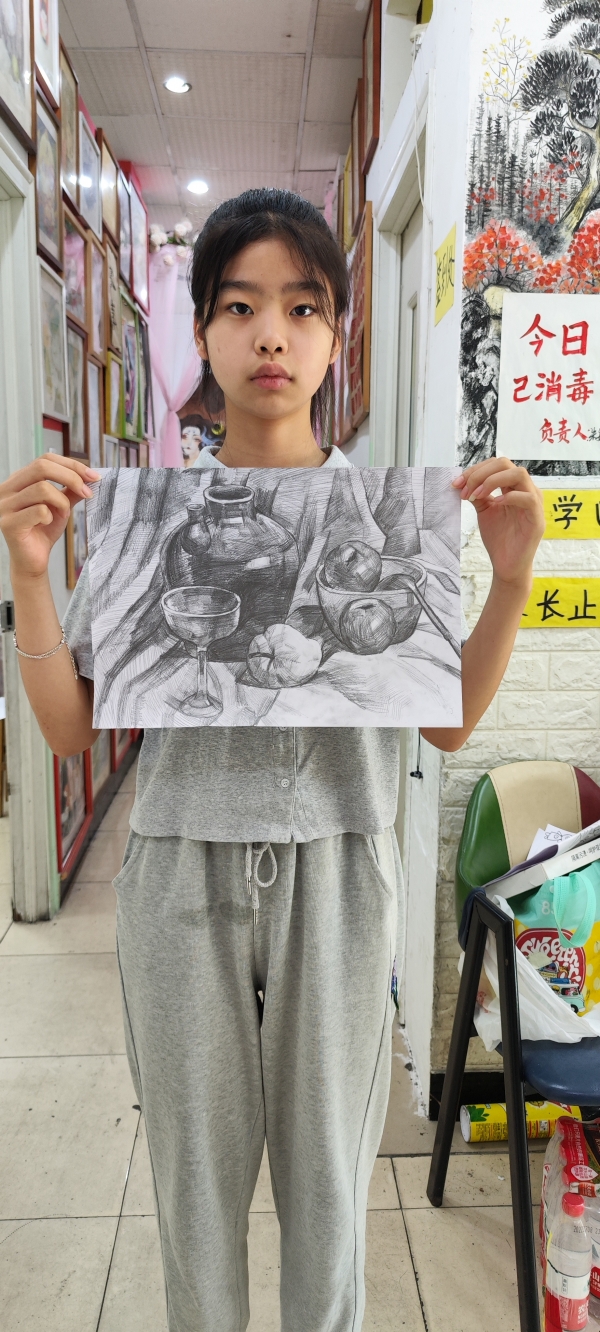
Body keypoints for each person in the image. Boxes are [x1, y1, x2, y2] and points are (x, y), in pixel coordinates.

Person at [0, 189, 545, 1332]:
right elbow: (70, 729)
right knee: (193, 1194)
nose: (271, 336)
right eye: (240, 306)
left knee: (330, 1194)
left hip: (338, 876)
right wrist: (33, 578)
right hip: (178, 874)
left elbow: (446, 724)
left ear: (335, 337)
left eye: (302, 308)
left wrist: (506, 580)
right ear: (201, 331)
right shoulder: (151, 519)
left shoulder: (385, 520)